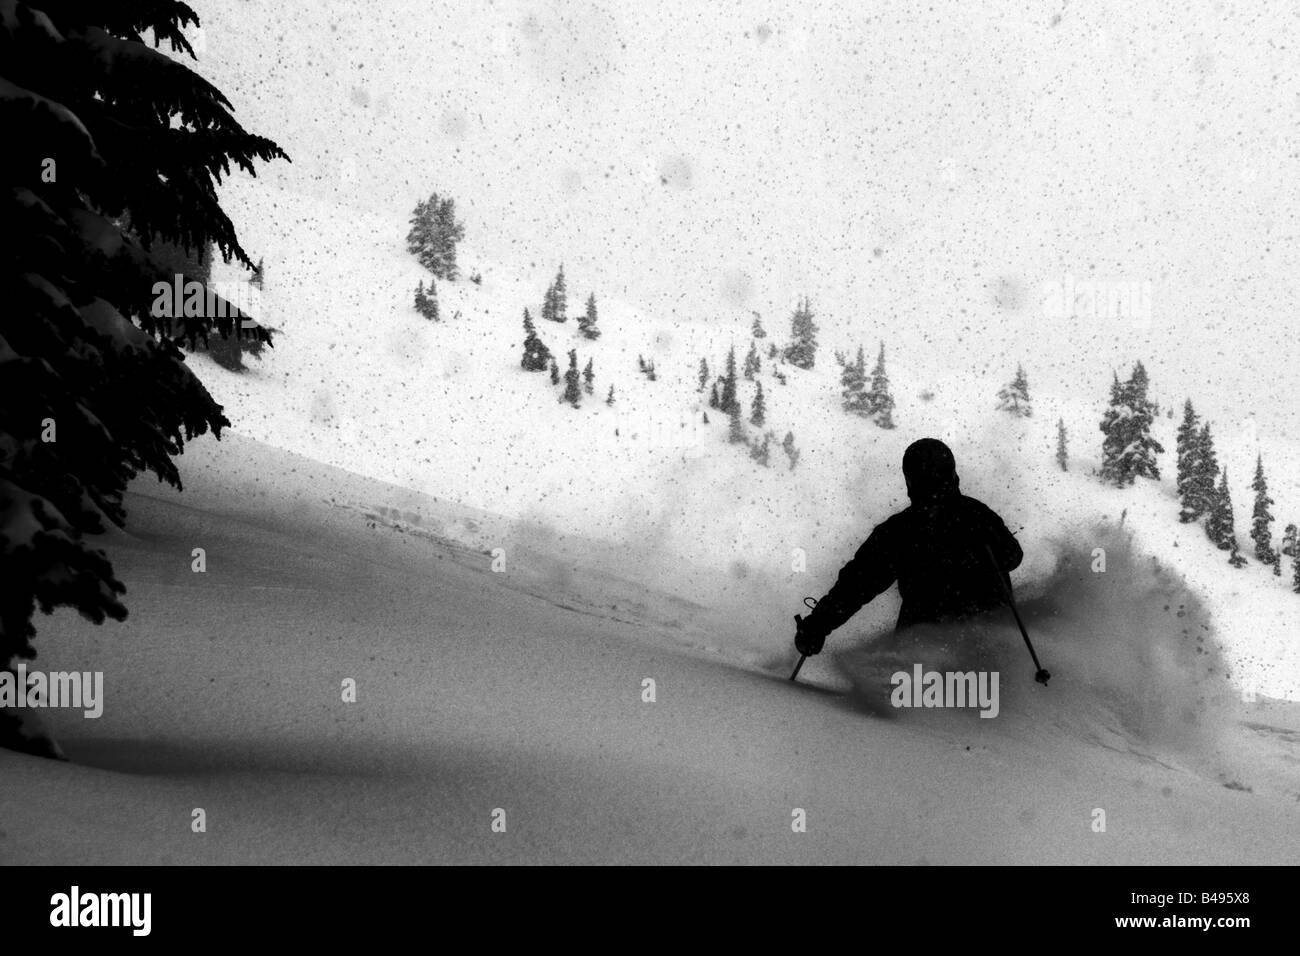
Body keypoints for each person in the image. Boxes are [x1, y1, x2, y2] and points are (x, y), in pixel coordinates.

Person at [794, 438, 1023, 656]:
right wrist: (817, 626)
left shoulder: (901, 531)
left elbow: (856, 585)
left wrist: (816, 626)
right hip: (982, 634)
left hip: (928, 637)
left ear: (910, 481)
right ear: (953, 474)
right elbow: (1012, 556)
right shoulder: (976, 516)